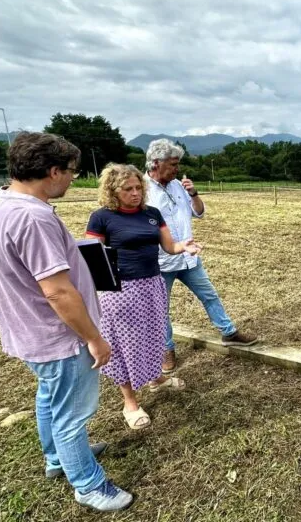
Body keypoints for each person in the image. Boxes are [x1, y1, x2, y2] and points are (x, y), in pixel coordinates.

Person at [0, 132, 133, 512]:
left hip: (28, 331)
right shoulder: (33, 217)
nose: (73, 178)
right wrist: (94, 338)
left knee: (50, 398)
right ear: (52, 171)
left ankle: (57, 458)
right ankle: (88, 484)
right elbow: (58, 292)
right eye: (71, 171)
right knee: (71, 415)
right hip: (58, 337)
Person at [86, 164, 202, 430]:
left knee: (154, 336)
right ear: (113, 191)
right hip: (120, 291)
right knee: (124, 344)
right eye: (128, 189)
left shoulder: (152, 214)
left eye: (139, 187)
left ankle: (155, 378)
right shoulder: (102, 217)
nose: (136, 193)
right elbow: (93, 258)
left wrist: (184, 246)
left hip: (152, 284)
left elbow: (169, 246)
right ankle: (130, 401)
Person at [144, 138, 257, 374]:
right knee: (160, 309)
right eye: (172, 164)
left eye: (177, 164)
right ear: (156, 163)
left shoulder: (178, 186)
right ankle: (166, 350)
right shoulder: (142, 190)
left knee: (209, 295)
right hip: (160, 262)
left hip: (189, 257)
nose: (176, 169)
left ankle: (229, 333)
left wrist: (193, 193)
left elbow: (199, 212)